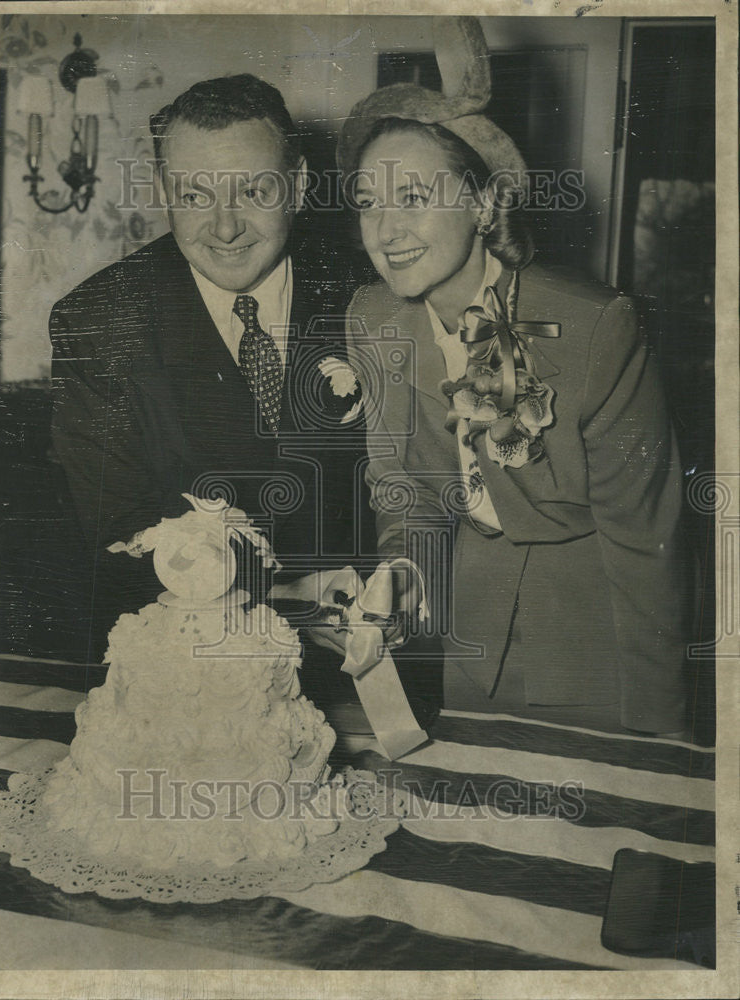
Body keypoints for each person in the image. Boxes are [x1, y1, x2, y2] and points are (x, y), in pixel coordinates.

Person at [336, 18, 691, 737]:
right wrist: (402, 572)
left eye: (412, 199)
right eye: (369, 204)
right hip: (469, 630)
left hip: (594, 633)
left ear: (484, 204)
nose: (386, 231)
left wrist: (664, 728)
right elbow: (401, 485)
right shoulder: (372, 318)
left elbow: (644, 542)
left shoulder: (596, 326)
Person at [49, 74, 369, 660]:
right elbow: (120, 525)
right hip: (192, 658)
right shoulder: (99, 320)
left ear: (297, 186)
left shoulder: (370, 294)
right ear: (162, 190)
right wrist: (283, 599)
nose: (225, 228)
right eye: (195, 196)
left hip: (372, 656)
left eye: (254, 192)